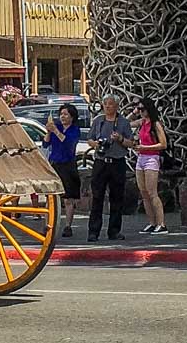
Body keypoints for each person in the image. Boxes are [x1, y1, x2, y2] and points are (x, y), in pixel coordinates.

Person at [86, 95, 135, 241]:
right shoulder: (98, 121)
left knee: (117, 198)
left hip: (117, 162)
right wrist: (95, 144)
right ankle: (93, 231)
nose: (108, 106)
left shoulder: (124, 122)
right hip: (101, 162)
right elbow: (89, 139)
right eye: (105, 104)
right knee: (97, 197)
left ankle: (114, 231)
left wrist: (120, 139)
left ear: (117, 106)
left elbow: (131, 143)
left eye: (111, 104)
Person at [127, 96, 168, 234]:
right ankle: (151, 222)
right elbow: (126, 123)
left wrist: (145, 147)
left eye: (143, 109)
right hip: (141, 158)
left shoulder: (155, 124)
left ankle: (161, 223)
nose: (141, 112)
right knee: (143, 192)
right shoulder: (142, 122)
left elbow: (163, 144)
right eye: (139, 109)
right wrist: (134, 112)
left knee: (152, 192)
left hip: (151, 157)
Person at [44, 104, 81, 237]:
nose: (63, 117)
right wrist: (49, 131)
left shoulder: (74, 130)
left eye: (66, 114)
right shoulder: (56, 128)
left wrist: (56, 131)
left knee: (68, 198)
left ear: (72, 116)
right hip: (55, 163)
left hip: (68, 164)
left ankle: (68, 225)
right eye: (61, 114)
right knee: (51, 197)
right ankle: (48, 224)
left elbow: (69, 144)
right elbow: (46, 143)